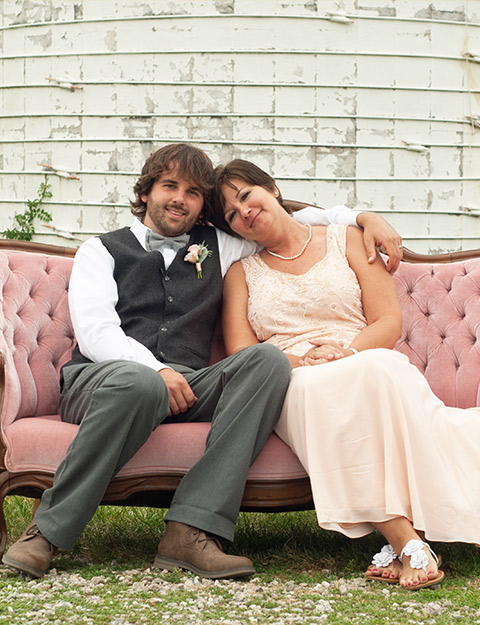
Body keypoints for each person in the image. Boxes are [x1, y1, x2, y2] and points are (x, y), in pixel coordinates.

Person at [2, 144, 401, 581]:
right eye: (169, 185)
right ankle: (47, 532)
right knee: (141, 384)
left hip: (191, 387)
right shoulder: (101, 251)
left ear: (201, 206)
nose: (180, 198)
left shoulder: (221, 246)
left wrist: (363, 218)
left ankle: (191, 531)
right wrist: (157, 371)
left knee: (266, 362)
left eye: (193, 192)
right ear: (147, 190)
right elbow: (98, 335)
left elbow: (282, 220)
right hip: (103, 383)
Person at [208, 158, 480, 590]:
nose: (244, 212)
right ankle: (407, 541)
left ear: (272, 189)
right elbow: (242, 352)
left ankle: (402, 545)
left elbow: (388, 321)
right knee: (320, 391)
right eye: (231, 215)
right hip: (292, 375)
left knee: (376, 371)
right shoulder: (241, 273)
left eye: (245, 196)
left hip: (361, 356)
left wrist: (346, 352)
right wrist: (301, 361)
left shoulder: (348, 240)